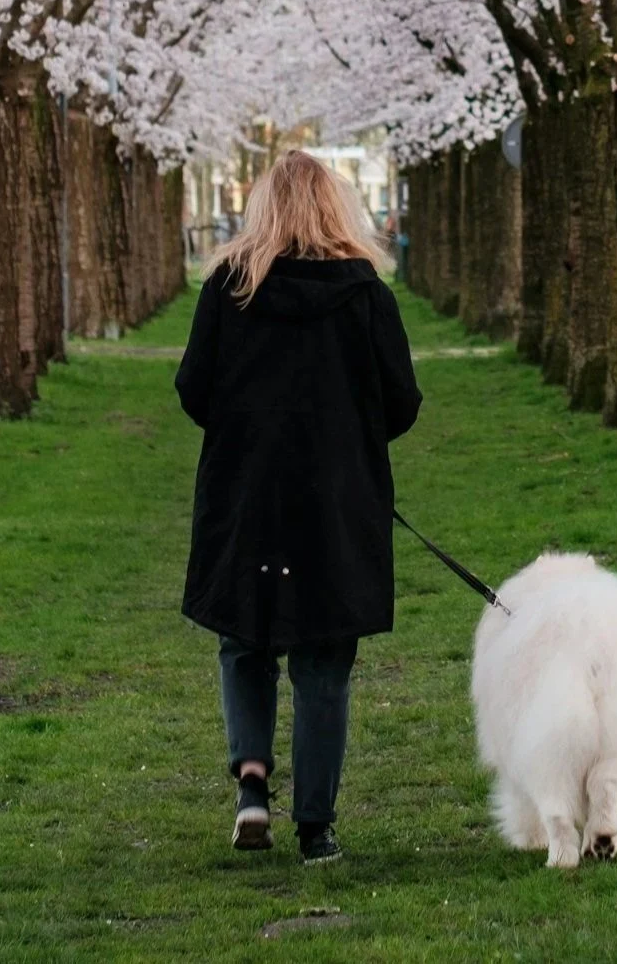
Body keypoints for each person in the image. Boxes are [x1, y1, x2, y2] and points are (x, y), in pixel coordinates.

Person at [174, 149, 421, 866]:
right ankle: (317, 825)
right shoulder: (366, 295)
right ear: (335, 206)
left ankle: (252, 781)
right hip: (335, 501)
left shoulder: (229, 287)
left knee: (243, 638)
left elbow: (194, 388)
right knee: (324, 658)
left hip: (245, 492)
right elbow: (400, 401)